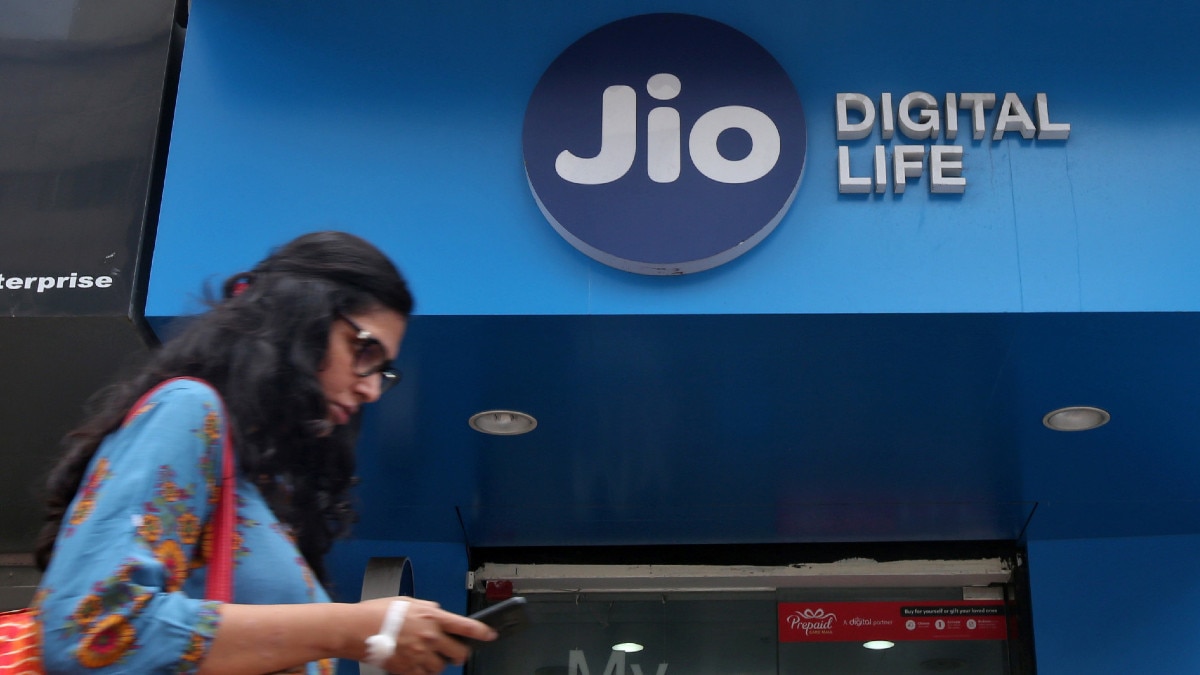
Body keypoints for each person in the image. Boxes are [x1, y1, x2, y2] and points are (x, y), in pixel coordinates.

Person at [31, 231, 495, 674]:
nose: (372, 389)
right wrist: (352, 627)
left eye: (383, 371)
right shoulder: (190, 409)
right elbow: (91, 631)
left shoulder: (259, 480)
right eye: (364, 350)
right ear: (300, 317)